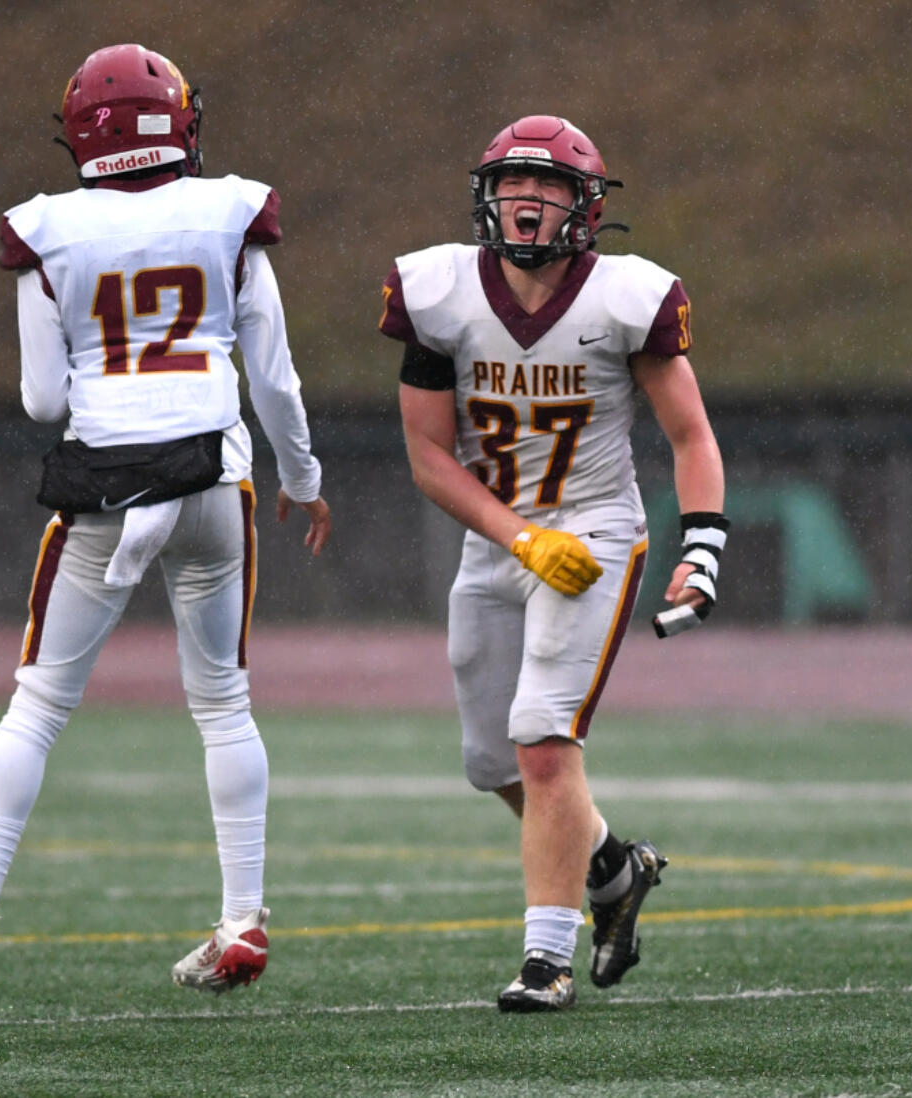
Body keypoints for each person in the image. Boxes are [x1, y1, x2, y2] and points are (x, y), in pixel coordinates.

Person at [0, 43, 331, 994]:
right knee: (223, 705)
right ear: (177, 122)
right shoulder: (227, 209)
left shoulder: (45, 229)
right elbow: (272, 377)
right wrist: (305, 481)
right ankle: (242, 919)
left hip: (105, 486)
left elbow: (39, 401)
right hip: (211, 482)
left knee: (38, 705)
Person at [379, 115, 727, 1011]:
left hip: (599, 531)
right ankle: (613, 870)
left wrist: (702, 547)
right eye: (513, 183)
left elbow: (690, 432)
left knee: (541, 739)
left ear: (587, 206)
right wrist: (519, 536)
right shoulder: (436, 291)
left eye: (552, 186)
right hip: (501, 534)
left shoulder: (627, 297)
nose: (527, 200)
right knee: (490, 760)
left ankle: (547, 959)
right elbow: (428, 456)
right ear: (484, 196)